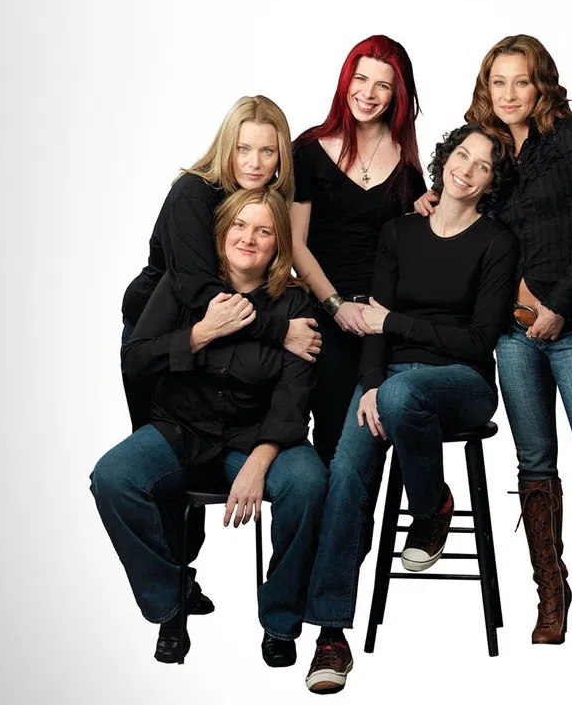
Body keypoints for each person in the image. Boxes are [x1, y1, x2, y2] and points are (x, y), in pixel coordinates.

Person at [416, 35, 572, 665]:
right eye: (498, 82)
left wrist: (559, 305)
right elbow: (464, 211)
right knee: (535, 461)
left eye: (521, 80)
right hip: (510, 335)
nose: (509, 93)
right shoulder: (488, 152)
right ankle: (551, 596)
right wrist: (433, 197)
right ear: (485, 89)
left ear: (542, 83)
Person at [301, 125, 519, 694]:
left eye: (483, 166)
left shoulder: (497, 242)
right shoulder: (398, 231)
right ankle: (330, 635)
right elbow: (374, 325)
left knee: (403, 396)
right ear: (446, 158)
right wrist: (371, 383)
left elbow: (478, 340)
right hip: (391, 378)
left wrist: (395, 326)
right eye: (462, 155)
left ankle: (431, 507)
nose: (467, 170)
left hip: (463, 382)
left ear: (492, 183)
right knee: (346, 470)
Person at [116, 95, 323, 656]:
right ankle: (172, 600)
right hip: (162, 337)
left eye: (267, 151)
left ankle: (280, 620)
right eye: (244, 148)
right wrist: (264, 332)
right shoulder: (193, 195)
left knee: (306, 481)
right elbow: (200, 296)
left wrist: (260, 458)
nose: (254, 161)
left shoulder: (289, 291)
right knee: (142, 478)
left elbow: (293, 393)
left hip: (247, 422)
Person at [289, 35, 426, 471]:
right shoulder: (308, 150)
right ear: (345, 81)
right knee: (330, 436)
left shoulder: (408, 166)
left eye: (382, 85)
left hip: (382, 318)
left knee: (370, 440)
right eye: (360, 79)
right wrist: (335, 305)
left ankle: (366, 528)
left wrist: (428, 210)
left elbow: (414, 252)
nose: (368, 93)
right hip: (323, 310)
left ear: (397, 95)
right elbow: (294, 244)